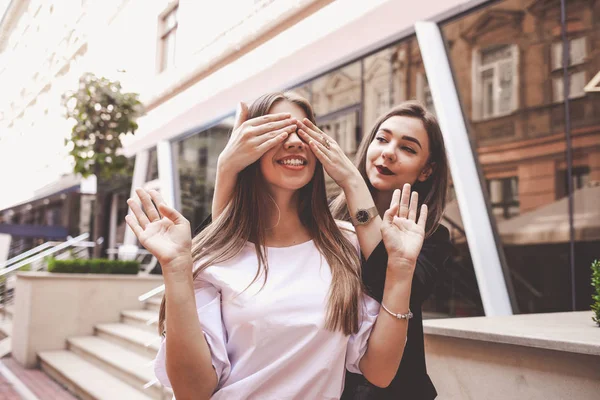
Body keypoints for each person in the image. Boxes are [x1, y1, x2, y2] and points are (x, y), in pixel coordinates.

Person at [125, 92, 429, 399]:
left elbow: (380, 371)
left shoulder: (345, 246)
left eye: (303, 131)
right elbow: (193, 391)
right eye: (278, 130)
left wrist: (401, 268)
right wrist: (176, 268)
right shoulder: (214, 253)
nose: (295, 141)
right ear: (247, 146)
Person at [212, 100, 453, 399]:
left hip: (393, 389)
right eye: (382, 138)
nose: (389, 152)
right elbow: (230, 245)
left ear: (426, 170)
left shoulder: (431, 237)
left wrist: (352, 181)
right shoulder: (327, 222)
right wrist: (227, 168)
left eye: (408, 148)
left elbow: (392, 286)